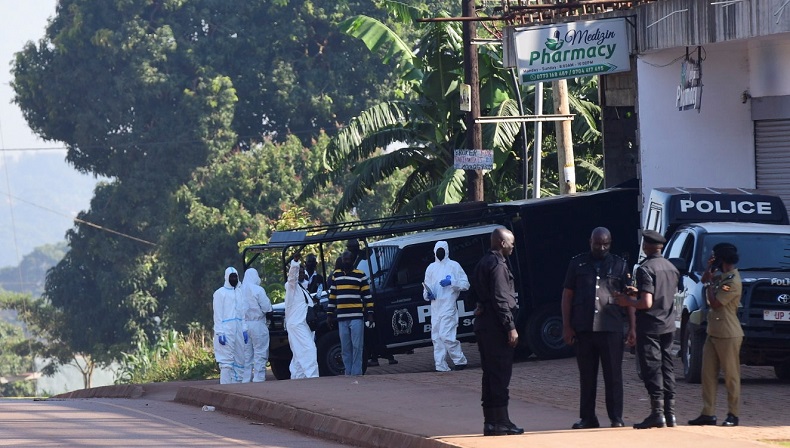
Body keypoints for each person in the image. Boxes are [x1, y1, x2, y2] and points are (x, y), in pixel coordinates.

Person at [561, 227, 636, 429]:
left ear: (610, 243)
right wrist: (567, 326)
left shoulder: (620, 265)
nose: (601, 247)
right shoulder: (577, 263)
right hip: (584, 329)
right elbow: (567, 296)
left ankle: (616, 417)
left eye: (606, 244)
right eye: (597, 243)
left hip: (611, 328)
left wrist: (632, 328)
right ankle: (587, 418)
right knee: (587, 376)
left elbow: (628, 298)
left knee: (613, 376)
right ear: (590, 241)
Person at [615, 229, 679, 429]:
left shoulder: (645, 268)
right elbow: (663, 293)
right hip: (668, 325)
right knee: (667, 367)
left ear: (648, 246)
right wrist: (638, 291)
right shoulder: (671, 267)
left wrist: (627, 300)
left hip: (650, 325)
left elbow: (647, 302)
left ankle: (657, 413)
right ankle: (670, 414)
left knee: (651, 368)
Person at [471, 227, 524, 436]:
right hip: (496, 328)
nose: (513, 246)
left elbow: (472, 292)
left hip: (484, 326)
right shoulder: (498, 266)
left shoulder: (482, 262)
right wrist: (510, 327)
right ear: (502, 243)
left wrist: (480, 305)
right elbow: (501, 299)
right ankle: (502, 422)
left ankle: (490, 422)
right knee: (500, 375)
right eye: (511, 243)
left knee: (490, 375)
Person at [688, 243, 743, 427]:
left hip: (728, 334)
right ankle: (708, 412)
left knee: (730, 376)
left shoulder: (732, 281)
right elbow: (704, 280)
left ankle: (733, 414)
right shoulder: (721, 276)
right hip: (714, 331)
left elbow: (716, 302)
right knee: (708, 374)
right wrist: (708, 270)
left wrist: (712, 283)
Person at [423, 240, 470, 372]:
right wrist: (428, 295)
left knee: (446, 335)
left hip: (448, 306)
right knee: (436, 337)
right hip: (435, 307)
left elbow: (465, 284)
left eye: (442, 250)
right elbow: (426, 289)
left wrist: (452, 282)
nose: (440, 253)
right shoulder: (431, 268)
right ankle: (440, 365)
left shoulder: (454, 266)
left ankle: (460, 360)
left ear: (447, 250)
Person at [327, 250, 374, 376]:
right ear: (342, 260)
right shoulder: (336, 275)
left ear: (352, 260)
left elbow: (367, 296)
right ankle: (348, 373)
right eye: (344, 259)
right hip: (342, 318)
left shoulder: (360, 275)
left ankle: (357, 373)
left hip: (357, 317)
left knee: (357, 346)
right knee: (345, 348)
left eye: (348, 259)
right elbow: (332, 296)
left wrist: (370, 314)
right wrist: (329, 314)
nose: (346, 261)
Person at [284, 255, 319, 379]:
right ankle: (312, 378)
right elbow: (292, 278)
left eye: (303, 272)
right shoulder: (291, 287)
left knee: (298, 357)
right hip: (297, 324)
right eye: (300, 272)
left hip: (304, 324)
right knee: (309, 350)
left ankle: (297, 380)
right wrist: (295, 263)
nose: (302, 274)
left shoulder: (302, 289)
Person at [213, 267, 249, 384]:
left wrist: (244, 329)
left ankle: (237, 386)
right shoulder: (220, 293)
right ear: (226, 277)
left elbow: (242, 313)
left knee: (240, 359)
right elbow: (217, 315)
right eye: (231, 277)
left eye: (235, 277)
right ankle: (225, 387)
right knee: (226, 362)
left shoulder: (239, 292)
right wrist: (220, 332)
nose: (234, 279)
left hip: (238, 329)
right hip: (226, 329)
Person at [241, 267, 273, 383]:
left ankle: (245, 379)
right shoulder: (258, 290)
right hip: (258, 324)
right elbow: (267, 308)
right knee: (260, 352)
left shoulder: (240, 290)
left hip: (244, 325)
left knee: (247, 354)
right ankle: (258, 378)